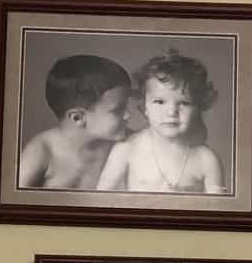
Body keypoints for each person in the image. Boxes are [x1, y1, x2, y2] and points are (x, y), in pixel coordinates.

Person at [97, 50, 226, 194]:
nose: (171, 112)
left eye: (184, 103)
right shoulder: (126, 149)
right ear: (144, 107)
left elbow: (218, 205)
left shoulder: (206, 160)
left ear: (199, 108)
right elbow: (102, 199)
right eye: (159, 102)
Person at [16, 54, 133, 189]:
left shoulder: (130, 143)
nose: (128, 115)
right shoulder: (43, 150)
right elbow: (10, 198)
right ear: (78, 118)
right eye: (117, 110)